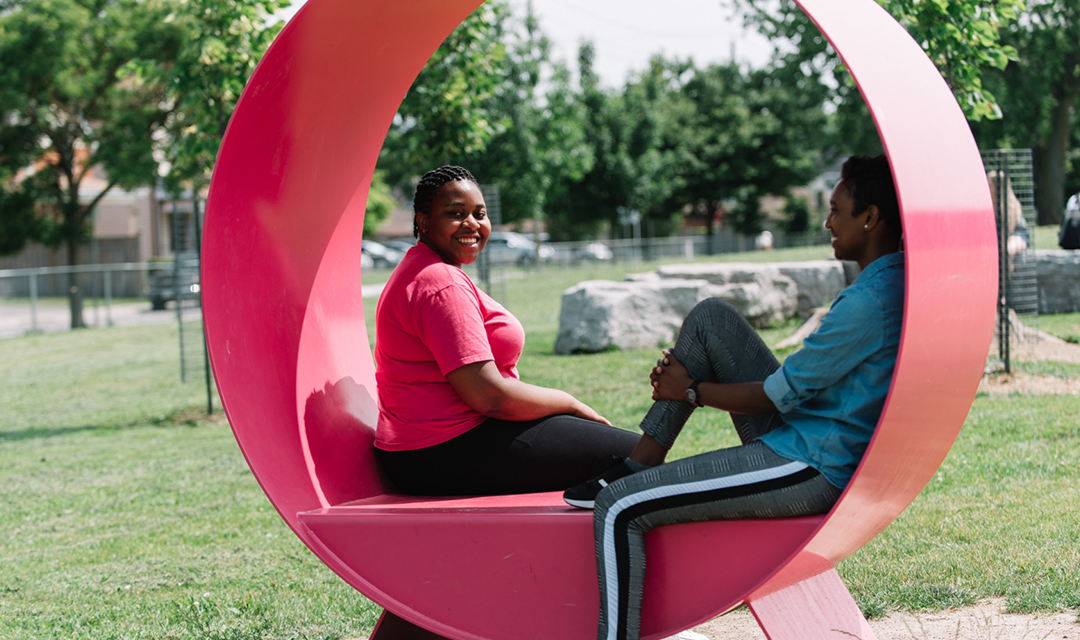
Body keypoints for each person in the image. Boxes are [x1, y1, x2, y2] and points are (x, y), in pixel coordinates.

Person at [563, 155, 905, 640]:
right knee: (710, 319)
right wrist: (685, 384)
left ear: (869, 218)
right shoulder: (888, 283)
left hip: (809, 463)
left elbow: (777, 395)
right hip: (811, 434)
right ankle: (641, 460)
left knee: (618, 508)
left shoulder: (869, 302)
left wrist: (689, 390)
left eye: (836, 210)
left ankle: (629, 484)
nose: (827, 221)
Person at [373, 165, 638, 496]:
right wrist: (569, 403)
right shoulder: (439, 282)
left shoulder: (424, 269)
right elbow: (490, 396)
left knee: (630, 455)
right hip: (444, 450)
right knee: (639, 459)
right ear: (424, 222)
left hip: (430, 450)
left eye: (479, 213)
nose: (471, 223)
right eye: (455, 213)